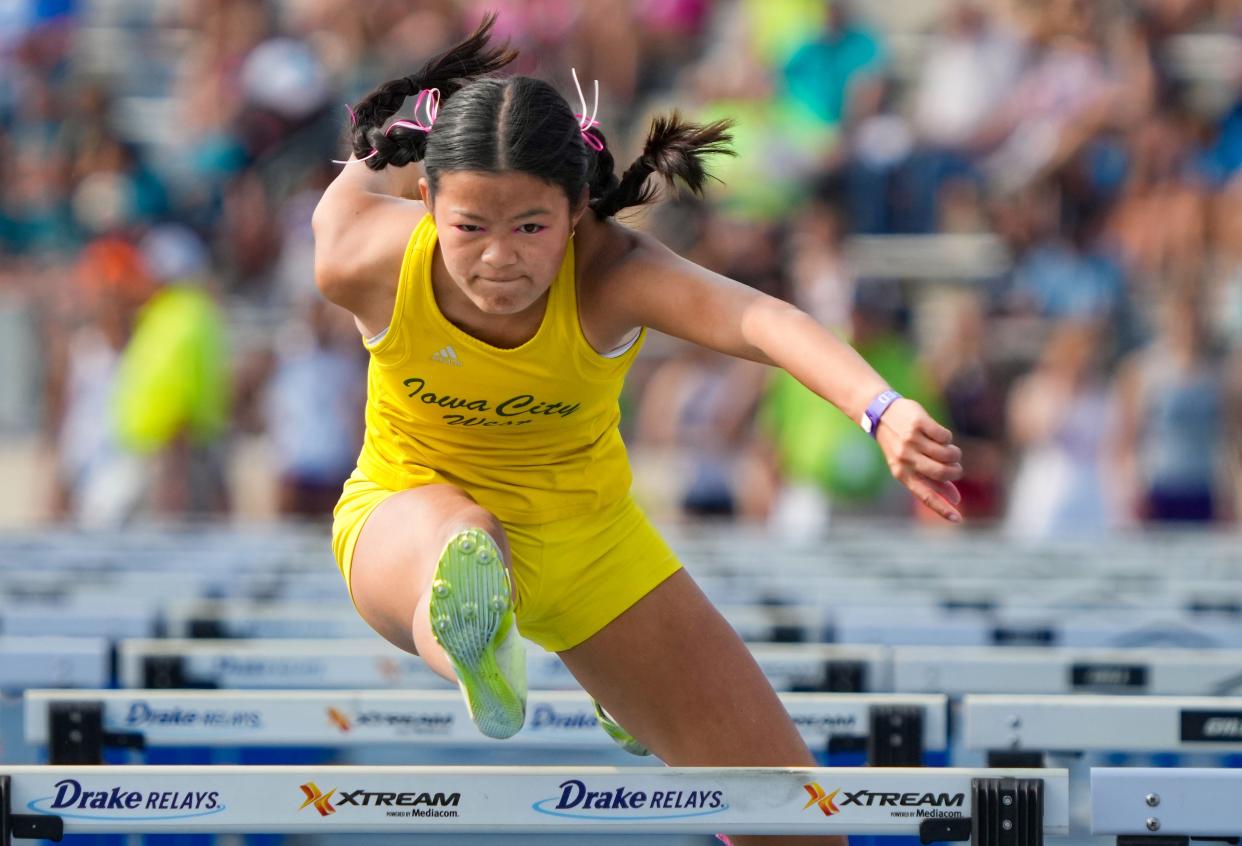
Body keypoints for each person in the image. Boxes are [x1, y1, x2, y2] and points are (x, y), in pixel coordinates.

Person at [312, 17, 962, 846]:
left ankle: (617, 686)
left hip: (593, 551)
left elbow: (762, 320)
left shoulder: (612, 271)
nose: (499, 260)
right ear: (430, 200)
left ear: (579, 210)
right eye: (470, 227)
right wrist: (404, 130)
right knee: (465, 543)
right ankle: (485, 646)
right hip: (407, 523)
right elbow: (368, 162)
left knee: (801, 832)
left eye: (532, 228)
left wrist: (881, 407)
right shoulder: (357, 257)